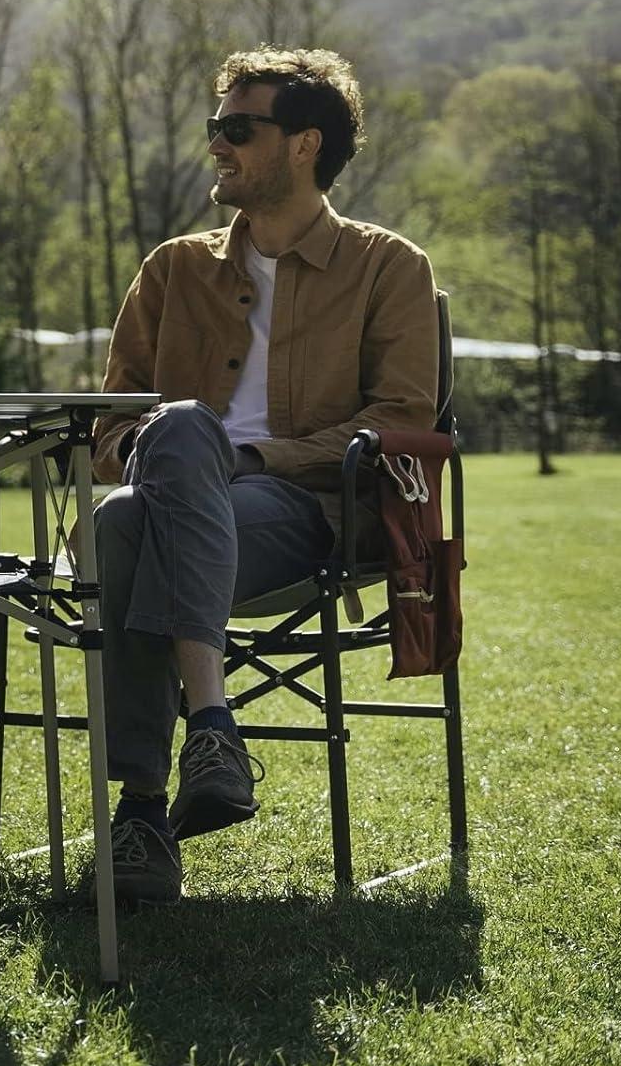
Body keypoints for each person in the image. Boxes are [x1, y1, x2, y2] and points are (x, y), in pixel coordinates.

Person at [92, 47, 438, 904]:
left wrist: (247, 456)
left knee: (128, 522)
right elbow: (108, 427)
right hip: (178, 504)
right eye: (215, 126)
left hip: (309, 513)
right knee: (142, 490)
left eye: (237, 129)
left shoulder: (389, 266)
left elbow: (401, 422)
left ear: (302, 145)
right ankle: (210, 729)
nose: (217, 144)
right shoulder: (174, 268)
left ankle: (140, 815)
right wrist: (185, 451)